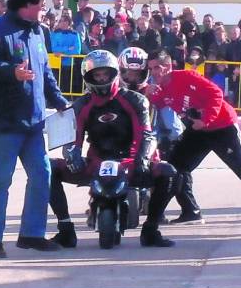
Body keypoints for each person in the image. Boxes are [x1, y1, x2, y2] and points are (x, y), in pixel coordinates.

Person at [0, 0, 69, 258]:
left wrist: (61, 101)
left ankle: (32, 234)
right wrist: (11, 71)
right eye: (41, 5)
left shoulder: (38, 33)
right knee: (2, 178)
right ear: (27, 5)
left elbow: (45, 74)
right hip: (5, 123)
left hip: (34, 123)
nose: (44, 11)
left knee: (42, 174)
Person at [48, 50, 178, 248]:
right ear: (89, 77)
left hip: (130, 161)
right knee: (47, 169)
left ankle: (151, 229)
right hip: (95, 162)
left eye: (105, 74)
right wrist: (71, 154)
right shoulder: (81, 104)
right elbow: (74, 137)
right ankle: (65, 229)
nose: (101, 79)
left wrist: (142, 160)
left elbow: (145, 134)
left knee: (170, 173)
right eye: (97, 75)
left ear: (115, 73)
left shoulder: (136, 100)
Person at [146, 50, 241, 225]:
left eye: (157, 68)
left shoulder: (187, 77)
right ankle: (189, 211)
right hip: (198, 131)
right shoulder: (161, 87)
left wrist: (206, 120)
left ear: (168, 67)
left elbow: (216, 94)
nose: (154, 73)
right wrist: (146, 91)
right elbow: (158, 102)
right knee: (174, 167)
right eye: (151, 69)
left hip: (223, 128)